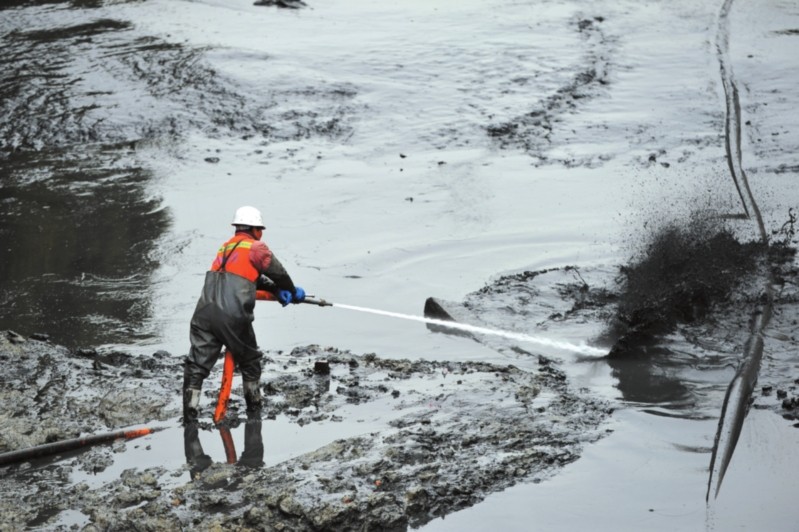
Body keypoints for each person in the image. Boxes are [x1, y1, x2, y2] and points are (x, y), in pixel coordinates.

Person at [183, 206, 305, 423]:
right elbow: (279, 273)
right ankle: (254, 411)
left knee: (196, 366)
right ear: (257, 229)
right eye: (261, 229)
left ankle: (189, 417)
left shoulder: (225, 248)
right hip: (232, 315)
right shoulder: (257, 248)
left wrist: (276, 290)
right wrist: (292, 290)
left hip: (204, 313)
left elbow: (250, 277)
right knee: (249, 361)